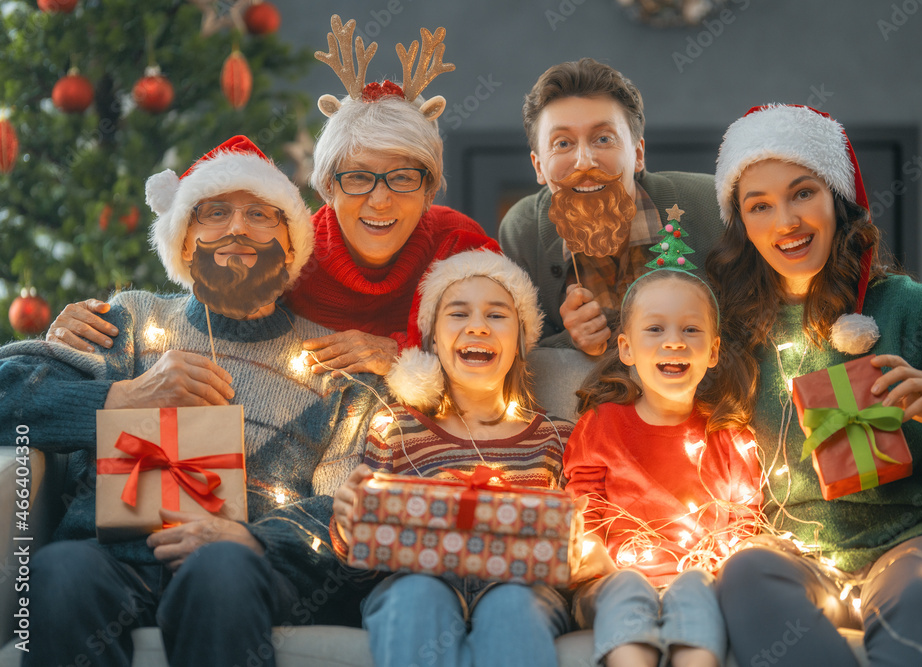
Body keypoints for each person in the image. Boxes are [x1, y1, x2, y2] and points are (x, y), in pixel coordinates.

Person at [0, 136, 382, 667]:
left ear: (293, 247)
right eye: (215, 212)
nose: (237, 228)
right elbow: (8, 397)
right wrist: (124, 395)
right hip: (113, 552)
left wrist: (254, 539)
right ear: (182, 242)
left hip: (245, 564)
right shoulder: (131, 320)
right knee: (59, 576)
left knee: (220, 571)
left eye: (260, 214)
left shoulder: (333, 366)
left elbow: (343, 504)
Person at [706, 104, 922, 666]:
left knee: (918, 590)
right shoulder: (729, 332)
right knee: (744, 573)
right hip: (804, 553)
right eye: (759, 205)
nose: (785, 221)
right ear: (741, 225)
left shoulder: (913, 310)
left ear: (837, 198)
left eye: (802, 193)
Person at [43, 14, 497, 376]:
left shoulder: (461, 245)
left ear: (429, 189)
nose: (380, 200)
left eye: (402, 178)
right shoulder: (292, 251)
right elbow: (210, 308)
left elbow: (506, 348)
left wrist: (398, 351)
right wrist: (92, 327)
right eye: (357, 178)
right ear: (327, 188)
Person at [331, 250, 576, 667]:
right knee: (416, 595)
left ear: (521, 341)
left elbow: (573, 558)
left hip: (521, 589)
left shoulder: (558, 437)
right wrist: (349, 529)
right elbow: (358, 573)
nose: (477, 327)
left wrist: (576, 551)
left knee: (513, 604)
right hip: (414, 584)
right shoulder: (394, 428)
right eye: (458, 314)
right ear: (432, 339)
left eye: (497, 316)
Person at [564, 269, 759, 667]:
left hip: (697, 579)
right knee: (628, 588)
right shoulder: (602, 425)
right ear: (626, 348)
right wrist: (595, 553)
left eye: (691, 330)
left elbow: (744, 520)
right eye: (655, 329)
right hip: (610, 581)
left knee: (694, 588)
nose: (674, 341)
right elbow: (583, 502)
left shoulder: (727, 435)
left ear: (714, 351)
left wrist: (719, 569)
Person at [498, 58, 723, 356]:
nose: (584, 162)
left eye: (603, 139)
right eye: (562, 143)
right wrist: (572, 339)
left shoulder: (713, 206)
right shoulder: (522, 232)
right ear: (539, 167)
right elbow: (515, 353)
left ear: (638, 153)